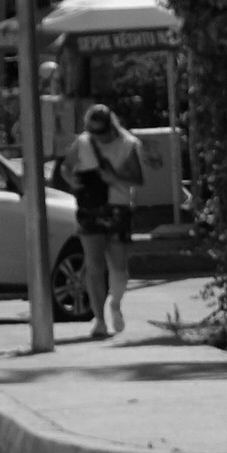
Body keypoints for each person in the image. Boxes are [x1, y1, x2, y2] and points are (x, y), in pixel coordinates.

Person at [64, 101, 146, 340]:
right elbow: (66, 168)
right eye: (92, 132)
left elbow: (138, 180)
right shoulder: (83, 142)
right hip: (90, 208)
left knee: (119, 269)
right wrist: (74, 181)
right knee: (94, 265)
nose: (96, 137)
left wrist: (114, 177)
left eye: (100, 132)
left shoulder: (128, 144)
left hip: (118, 208)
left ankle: (116, 304)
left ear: (111, 126)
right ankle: (99, 320)